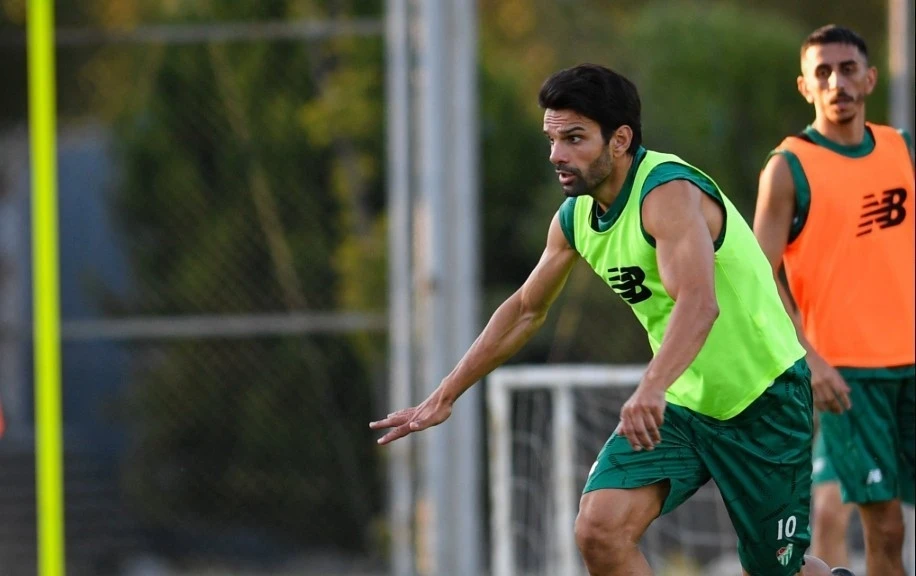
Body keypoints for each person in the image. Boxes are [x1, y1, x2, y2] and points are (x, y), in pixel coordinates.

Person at [371, 64, 836, 576]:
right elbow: (526, 309)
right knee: (600, 530)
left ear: (620, 140)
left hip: (763, 401)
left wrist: (651, 387)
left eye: (574, 139)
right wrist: (445, 394)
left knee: (777, 572)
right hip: (683, 406)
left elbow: (700, 304)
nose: (557, 155)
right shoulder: (575, 218)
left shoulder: (667, 193)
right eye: (552, 140)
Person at [753, 24, 914, 576]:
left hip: (912, 360)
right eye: (822, 72)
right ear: (805, 86)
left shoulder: (901, 148)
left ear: (870, 78)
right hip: (849, 377)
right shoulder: (788, 166)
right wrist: (811, 358)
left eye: (847, 70)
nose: (836, 82)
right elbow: (758, 275)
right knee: (885, 527)